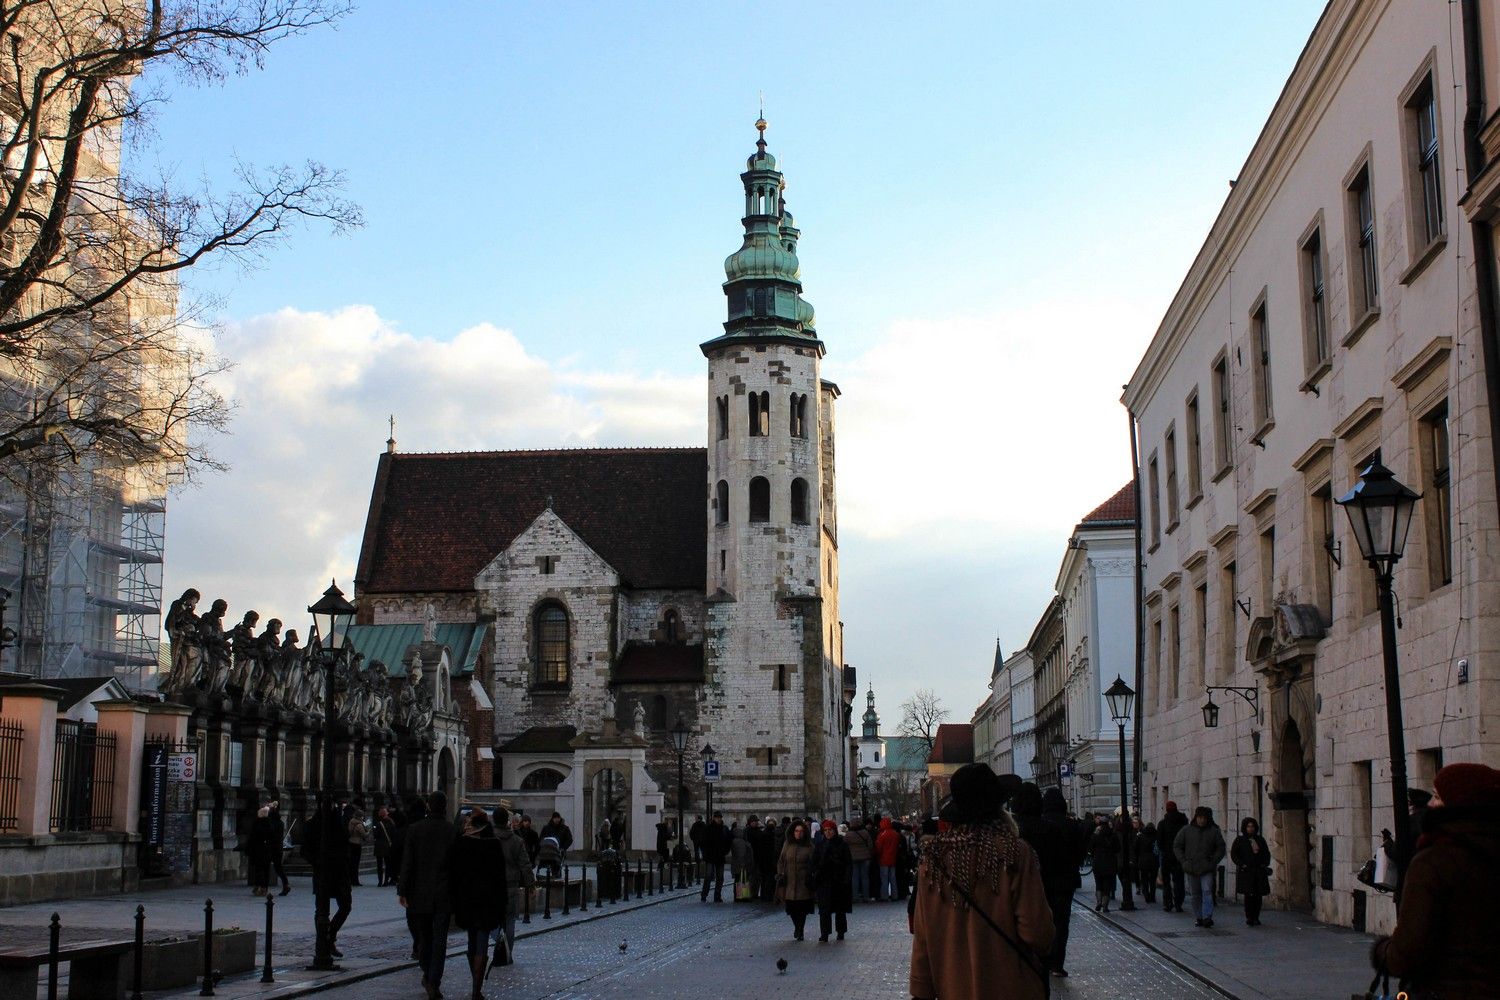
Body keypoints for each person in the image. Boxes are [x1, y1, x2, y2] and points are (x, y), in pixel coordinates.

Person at [909, 763, 1054, 1000]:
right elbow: (1037, 932)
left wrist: (921, 990)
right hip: (1012, 987)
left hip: (953, 989)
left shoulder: (934, 860)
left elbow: (922, 938)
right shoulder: (1013, 853)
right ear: (999, 807)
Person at [1372, 762, 1500, 1000]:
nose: (1431, 804)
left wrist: (1382, 952)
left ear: (1458, 804)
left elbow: (1406, 952)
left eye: (1437, 797)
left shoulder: (1437, 860)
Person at [401, 791, 456, 1000]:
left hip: (419, 892)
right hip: (443, 893)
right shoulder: (451, 831)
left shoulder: (415, 829)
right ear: (444, 807)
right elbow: (455, 866)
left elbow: (408, 862)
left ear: (428, 806)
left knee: (424, 936)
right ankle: (434, 979)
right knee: (440, 939)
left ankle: (427, 971)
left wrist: (403, 889)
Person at [449, 807, 506, 1000]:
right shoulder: (494, 845)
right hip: (487, 902)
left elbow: (454, 874)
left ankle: (476, 982)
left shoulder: (461, 844)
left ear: (474, 826)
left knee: (472, 941)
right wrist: (502, 905)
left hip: (467, 901)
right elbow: (500, 878)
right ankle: (476, 988)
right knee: (480, 943)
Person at [1040, 786, 1087, 977]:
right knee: (1062, 922)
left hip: (1044, 880)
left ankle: (1045, 957)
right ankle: (1057, 964)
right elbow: (1080, 853)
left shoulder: (1041, 824)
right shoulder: (1071, 826)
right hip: (1066, 881)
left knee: (1045, 920)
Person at [301, 799, 352, 958]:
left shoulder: (337, 823)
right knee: (322, 909)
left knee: (345, 906)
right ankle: (324, 942)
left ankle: (329, 937)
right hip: (325, 872)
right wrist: (317, 862)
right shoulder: (315, 825)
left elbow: (345, 845)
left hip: (338, 871)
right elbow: (305, 850)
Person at [491, 806, 534, 961]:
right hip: (511, 885)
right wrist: (530, 883)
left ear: (494, 820)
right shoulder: (517, 841)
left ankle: (499, 942)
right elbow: (525, 863)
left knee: (492, 919)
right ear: (507, 821)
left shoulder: (487, 839)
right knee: (510, 920)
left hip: (492, 886)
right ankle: (508, 953)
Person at [1173, 805, 1226, 928]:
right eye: (1199, 818)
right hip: (1191, 867)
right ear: (1196, 818)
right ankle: (1199, 916)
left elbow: (1221, 848)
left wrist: (1213, 861)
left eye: (1204, 818)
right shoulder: (1186, 830)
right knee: (1195, 894)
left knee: (1207, 891)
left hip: (1207, 867)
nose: (1202, 820)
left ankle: (1207, 916)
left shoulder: (1213, 831)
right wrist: (1183, 861)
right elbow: (1177, 845)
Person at [811, 819, 853, 941]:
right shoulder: (820, 845)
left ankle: (840, 931)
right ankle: (825, 933)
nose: (828, 833)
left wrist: (846, 878)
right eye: (825, 830)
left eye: (830, 830)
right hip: (824, 881)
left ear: (834, 831)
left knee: (840, 909)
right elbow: (814, 861)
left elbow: (848, 863)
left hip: (838, 880)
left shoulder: (842, 844)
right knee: (824, 909)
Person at [776, 820, 815, 940]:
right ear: (793, 832)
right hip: (789, 881)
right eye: (797, 831)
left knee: (802, 909)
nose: (799, 833)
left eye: (801, 831)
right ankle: (797, 927)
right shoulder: (787, 844)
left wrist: (811, 874)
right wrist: (780, 873)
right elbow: (781, 860)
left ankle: (800, 930)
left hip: (803, 882)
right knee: (791, 909)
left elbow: (814, 862)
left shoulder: (809, 846)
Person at [1230, 816, 1270, 927]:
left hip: (1258, 871)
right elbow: (1234, 854)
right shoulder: (1240, 840)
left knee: (1258, 895)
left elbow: (1266, 853)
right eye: (1248, 826)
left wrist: (1265, 863)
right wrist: (1242, 864)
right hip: (1247, 872)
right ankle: (1249, 917)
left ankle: (1256, 917)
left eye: (1252, 826)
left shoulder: (1260, 840)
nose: (1250, 829)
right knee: (1249, 895)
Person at [1157, 800, 1188, 912]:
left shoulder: (1162, 824)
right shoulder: (1183, 822)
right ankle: (1178, 902)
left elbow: (1159, 842)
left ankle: (1168, 902)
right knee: (1179, 880)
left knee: (1166, 882)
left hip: (1166, 855)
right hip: (1180, 856)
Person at [1088, 816, 1120, 912]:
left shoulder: (1095, 835)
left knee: (1098, 884)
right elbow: (1118, 849)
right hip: (1110, 863)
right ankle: (1105, 906)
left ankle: (1098, 902)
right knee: (1107, 886)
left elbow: (1090, 849)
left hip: (1097, 862)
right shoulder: (1113, 835)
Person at [699, 811, 732, 902]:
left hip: (720, 856)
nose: (719, 819)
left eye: (720, 817)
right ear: (714, 818)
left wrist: (725, 851)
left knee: (720, 877)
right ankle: (704, 895)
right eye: (717, 817)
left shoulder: (724, 829)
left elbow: (728, 841)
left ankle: (717, 896)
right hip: (710, 856)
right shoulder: (708, 828)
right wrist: (705, 853)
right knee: (708, 876)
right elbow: (703, 842)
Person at [845, 817, 873, 903]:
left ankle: (855, 897)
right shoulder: (865, 833)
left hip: (853, 858)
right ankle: (866, 897)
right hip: (865, 858)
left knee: (855, 878)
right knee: (865, 878)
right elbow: (870, 845)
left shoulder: (848, 835)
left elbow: (845, 846)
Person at [249, 805, 275, 896]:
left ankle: (259, 886)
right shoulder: (270, 824)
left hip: (258, 850)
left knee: (258, 869)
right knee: (265, 869)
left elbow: (252, 838)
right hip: (267, 850)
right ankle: (264, 887)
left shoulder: (256, 824)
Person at [267, 800, 291, 896]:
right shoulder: (280, 823)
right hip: (278, 848)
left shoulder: (271, 822)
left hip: (271, 847)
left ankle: (263, 887)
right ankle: (286, 884)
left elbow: (270, 834)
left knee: (266, 867)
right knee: (278, 868)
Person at [875, 817, 901, 902]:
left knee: (884, 879)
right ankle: (895, 895)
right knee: (893, 878)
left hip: (883, 859)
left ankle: (884, 896)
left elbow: (879, 848)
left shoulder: (882, 835)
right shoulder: (895, 834)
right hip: (893, 859)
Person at [1135, 821, 1160, 906]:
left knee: (1144, 879)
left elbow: (1136, 848)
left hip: (1143, 860)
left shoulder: (1141, 836)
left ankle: (1146, 895)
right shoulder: (1157, 836)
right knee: (1153, 880)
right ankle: (1152, 896)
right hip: (1154, 860)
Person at [372, 807, 396, 887]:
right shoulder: (392, 822)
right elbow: (393, 834)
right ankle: (386, 881)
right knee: (388, 863)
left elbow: (375, 835)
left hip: (379, 846)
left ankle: (379, 881)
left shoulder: (378, 823)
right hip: (388, 845)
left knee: (379, 864)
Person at [346, 807, 369, 886]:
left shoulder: (351, 822)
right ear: (360, 816)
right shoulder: (359, 824)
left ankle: (350, 879)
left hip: (351, 842)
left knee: (351, 862)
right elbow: (364, 834)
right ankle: (355, 880)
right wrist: (369, 831)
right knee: (356, 863)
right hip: (357, 843)